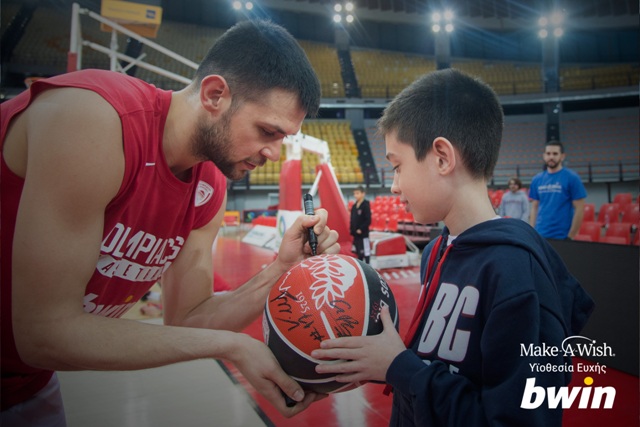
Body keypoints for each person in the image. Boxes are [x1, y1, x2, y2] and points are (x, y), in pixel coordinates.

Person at [1, 20, 340, 426]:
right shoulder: (96, 118)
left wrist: (281, 270)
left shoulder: (210, 185)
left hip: (28, 383)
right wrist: (232, 346)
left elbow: (188, 318)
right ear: (214, 95)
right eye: (267, 131)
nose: (273, 153)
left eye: (283, 137)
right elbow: (43, 333)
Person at [310, 69, 594, 427]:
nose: (394, 186)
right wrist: (389, 364)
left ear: (442, 157)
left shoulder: (517, 273)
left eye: (397, 166)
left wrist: (401, 367)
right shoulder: (436, 251)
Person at [529, 140, 587, 240]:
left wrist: (571, 235)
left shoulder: (572, 178)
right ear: (544, 156)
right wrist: (532, 232)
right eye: (548, 153)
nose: (551, 157)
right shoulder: (536, 179)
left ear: (562, 156)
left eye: (555, 154)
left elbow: (580, 208)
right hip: (540, 234)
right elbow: (534, 207)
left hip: (562, 236)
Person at [350, 185, 372, 264]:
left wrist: (361, 229)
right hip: (356, 234)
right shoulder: (354, 206)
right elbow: (352, 219)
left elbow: (368, 220)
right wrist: (352, 230)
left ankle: (368, 265)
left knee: (366, 251)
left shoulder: (365, 205)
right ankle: (361, 266)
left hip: (363, 234)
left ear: (363, 194)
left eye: (357, 193)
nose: (355, 195)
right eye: (354, 193)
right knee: (358, 252)